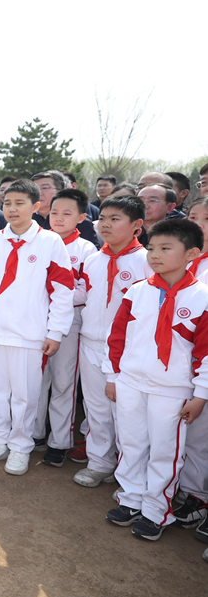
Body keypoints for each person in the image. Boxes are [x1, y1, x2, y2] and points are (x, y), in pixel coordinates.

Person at [104, 219, 208, 540]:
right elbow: (117, 337)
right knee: (131, 443)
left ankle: (156, 510)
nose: (155, 255)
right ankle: (132, 497)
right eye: (151, 248)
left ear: (192, 253)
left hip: (173, 390)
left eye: (165, 248)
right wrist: (113, 376)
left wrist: (201, 394)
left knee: (166, 451)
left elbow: (205, 352)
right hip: (132, 382)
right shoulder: (137, 290)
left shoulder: (202, 297)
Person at [0, 178, 74, 476]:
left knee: (25, 395)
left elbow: (63, 290)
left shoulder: (51, 242)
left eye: (19, 203)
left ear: (36, 207)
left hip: (30, 334)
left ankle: (21, 445)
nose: (12, 209)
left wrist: (55, 332)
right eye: (7, 203)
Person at [71, 195, 150, 483]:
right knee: (96, 408)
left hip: (129, 351)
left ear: (136, 225)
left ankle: (132, 475)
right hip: (91, 341)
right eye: (102, 218)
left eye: (115, 219)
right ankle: (100, 462)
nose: (105, 224)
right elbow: (82, 295)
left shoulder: (146, 261)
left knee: (128, 415)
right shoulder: (93, 258)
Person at [35, 189, 97, 467]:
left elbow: (84, 292)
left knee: (63, 383)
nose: (58, 218)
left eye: (67, 213)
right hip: (34, 322)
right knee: (36, 380)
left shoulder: (86, 249)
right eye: (55, 212)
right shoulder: (37, 242)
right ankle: (35, 432)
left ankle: (59, 441)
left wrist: (49, 295)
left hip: (69, 325)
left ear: (82, 217)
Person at [176, 198, 208, 534]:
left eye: (207, 218)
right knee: (181, 429)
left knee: (199, 433)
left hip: (203, 362)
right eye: (193, 217)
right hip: (174, 361)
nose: (198, 223)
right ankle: (180, 488)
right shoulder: (180, 261)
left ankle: (197, 495)